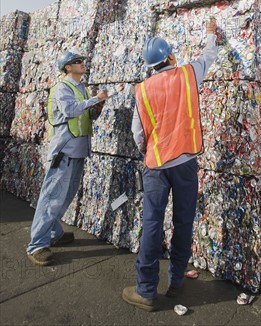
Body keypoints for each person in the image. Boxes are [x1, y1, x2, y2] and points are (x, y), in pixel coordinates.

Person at [122, 19, 218, 312]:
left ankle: (146, 291)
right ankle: (176, 281)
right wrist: (212, 34)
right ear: (171, 57)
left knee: (151, 223)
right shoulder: (188, 75)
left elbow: (137, 133)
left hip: (156, 165)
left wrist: (148, 151)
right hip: (186, 162)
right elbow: (208, 57)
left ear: (151, 65)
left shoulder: (142, 90)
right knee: (183, 221)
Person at [26, 51, 108, 266]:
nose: (82, 63)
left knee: (66, 195)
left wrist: (96, 109)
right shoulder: (62, 87)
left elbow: (87, 116)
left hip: (79, 150)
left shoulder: (82, 88)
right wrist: (94, 100)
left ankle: (54, 233)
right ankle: (36, 245)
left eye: (82, 61)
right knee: (52, 196)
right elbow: (70, 111)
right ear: (68, 67)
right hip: (64, 151)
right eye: (77, 62)